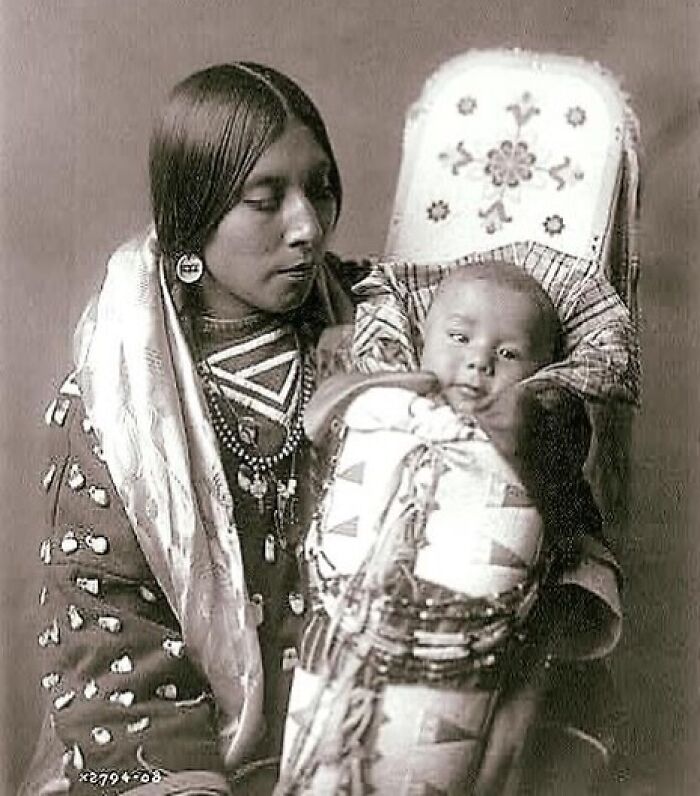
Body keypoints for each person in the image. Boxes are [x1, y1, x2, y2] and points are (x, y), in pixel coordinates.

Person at [20, 63, 367, 796]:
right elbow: (107, 623)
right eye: (265, 200)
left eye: (321, 187)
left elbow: (546, 305)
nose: (306, 226)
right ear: (195, 215)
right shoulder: (118, 402)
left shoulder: (384, 325)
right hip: (186, 761)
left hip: (363, 747)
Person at [275, 263, 622, 795]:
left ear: (543, 370)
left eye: (508, 354)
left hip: (459, 670)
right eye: (459, 338)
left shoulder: (541, 449)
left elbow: (574, 540)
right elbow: (320, 444)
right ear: (421, 338)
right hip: (340, 644)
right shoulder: (380, 408)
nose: (478, 360)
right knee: (314, 772)